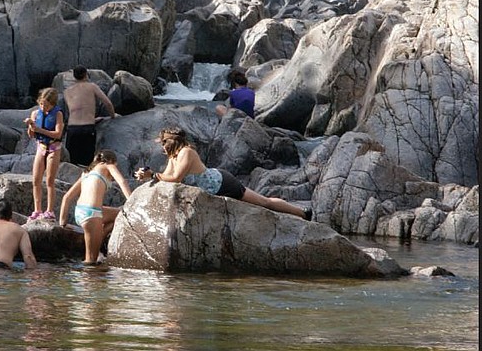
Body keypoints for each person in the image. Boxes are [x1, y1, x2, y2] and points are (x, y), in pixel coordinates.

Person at [134, 127, 312, 220]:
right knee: (262, 203)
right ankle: (301, 212)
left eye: (162, 144)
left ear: (170, 143)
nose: (161, 147)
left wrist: (153, 176)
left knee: (263, 202)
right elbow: (167, 177)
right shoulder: (174, 155)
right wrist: (148, 175)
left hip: (222, 183)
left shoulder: (187, 152)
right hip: (213, 186)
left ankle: (302, 213)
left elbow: (176, 178)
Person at [59, 149, 132, 265]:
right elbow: (122, 181)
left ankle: (100, 235)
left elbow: (67, 197)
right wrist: (132, 201)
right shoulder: (108, 165)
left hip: (81, 212)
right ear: (111, 161)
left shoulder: (86, 173)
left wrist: (62, 223)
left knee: (120, 214)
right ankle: (89, 280)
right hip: (92, 214)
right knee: (90, 263)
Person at [24, 87, 64, 220]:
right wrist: (30, 126)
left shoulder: (58, 114)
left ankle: (50, 210)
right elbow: (32, 134)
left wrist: (39, 130)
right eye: (41, 104)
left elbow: (58, 133)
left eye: (46, 105)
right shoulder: (35, 113)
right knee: (36, 180)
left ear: (52, 104)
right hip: (40, 147)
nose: (43, 107)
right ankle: (37, 210)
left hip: (53, 147)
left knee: (50, 181)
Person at [63, 66, 116, 166]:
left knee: (72, 162)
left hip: (72, 129)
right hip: (87, 128)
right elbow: (108, 103)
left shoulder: (67, 92)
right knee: (87, 163)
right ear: (86, 75)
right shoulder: (92, 87)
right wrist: (113, 116)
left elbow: (75, 109)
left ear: (74, 77)